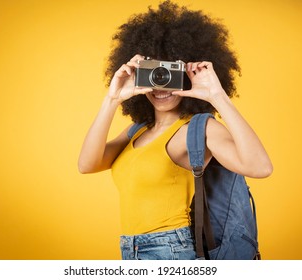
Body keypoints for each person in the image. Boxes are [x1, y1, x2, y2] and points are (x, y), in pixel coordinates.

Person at [78, 0, 273, 260]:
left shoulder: (198, 128)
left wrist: (217, 95)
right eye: (153, 73)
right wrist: (112, 99)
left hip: (170, 250)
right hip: (130, 248)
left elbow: (260, 168)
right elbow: (87, 164)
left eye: (171, 72)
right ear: (139, 74)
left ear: (189, 72)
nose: (162, 85)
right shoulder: (136, 131)